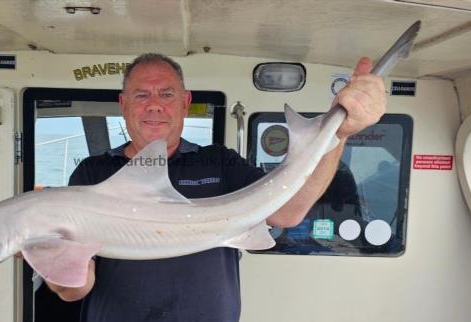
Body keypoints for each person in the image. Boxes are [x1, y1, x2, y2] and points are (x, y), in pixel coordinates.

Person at [45, 53, 386, 321]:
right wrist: (49, 259)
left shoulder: (219, 163)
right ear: (123, 104)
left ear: (184, 101)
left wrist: (339, 132)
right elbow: (75, 289)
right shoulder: (93, 173)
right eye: (141, 94)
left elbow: (289, 211)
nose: (154, 104)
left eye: (166, 93)